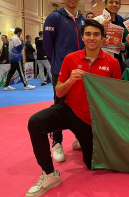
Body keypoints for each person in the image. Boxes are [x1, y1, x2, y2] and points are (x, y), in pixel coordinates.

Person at [26, 20, 121, 197]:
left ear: (102, 38)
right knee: (35, 122)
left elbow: (116, 97)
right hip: (70, 111)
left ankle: (81, 139)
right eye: (88, 34)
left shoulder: (112, 63)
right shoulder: (71, 58)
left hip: (93, 119)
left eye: (96, 34)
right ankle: (49, 174)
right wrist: (70, 81)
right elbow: (59, 91)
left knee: (92, 164)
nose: (92, 38)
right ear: (83, 37)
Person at [43, 0, 86, 159]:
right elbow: (47, 45)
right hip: (61, 69)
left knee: (80, 103)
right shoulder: (54, 17)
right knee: (59, 105)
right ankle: (57, 142)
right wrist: (57, 64)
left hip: (81, 70)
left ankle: (78, 137)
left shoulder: (83, 20)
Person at [93, 0, 126, 66]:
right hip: (99, 59)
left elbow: (124, 43)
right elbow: (90, 41)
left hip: (117, 60)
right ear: (105, 4)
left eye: (117, 3)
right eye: (111, 2)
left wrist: (124, 47)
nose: (114, 5)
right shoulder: (96, 20)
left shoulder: (122, 21)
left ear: (119, 6)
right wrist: (102, 31)